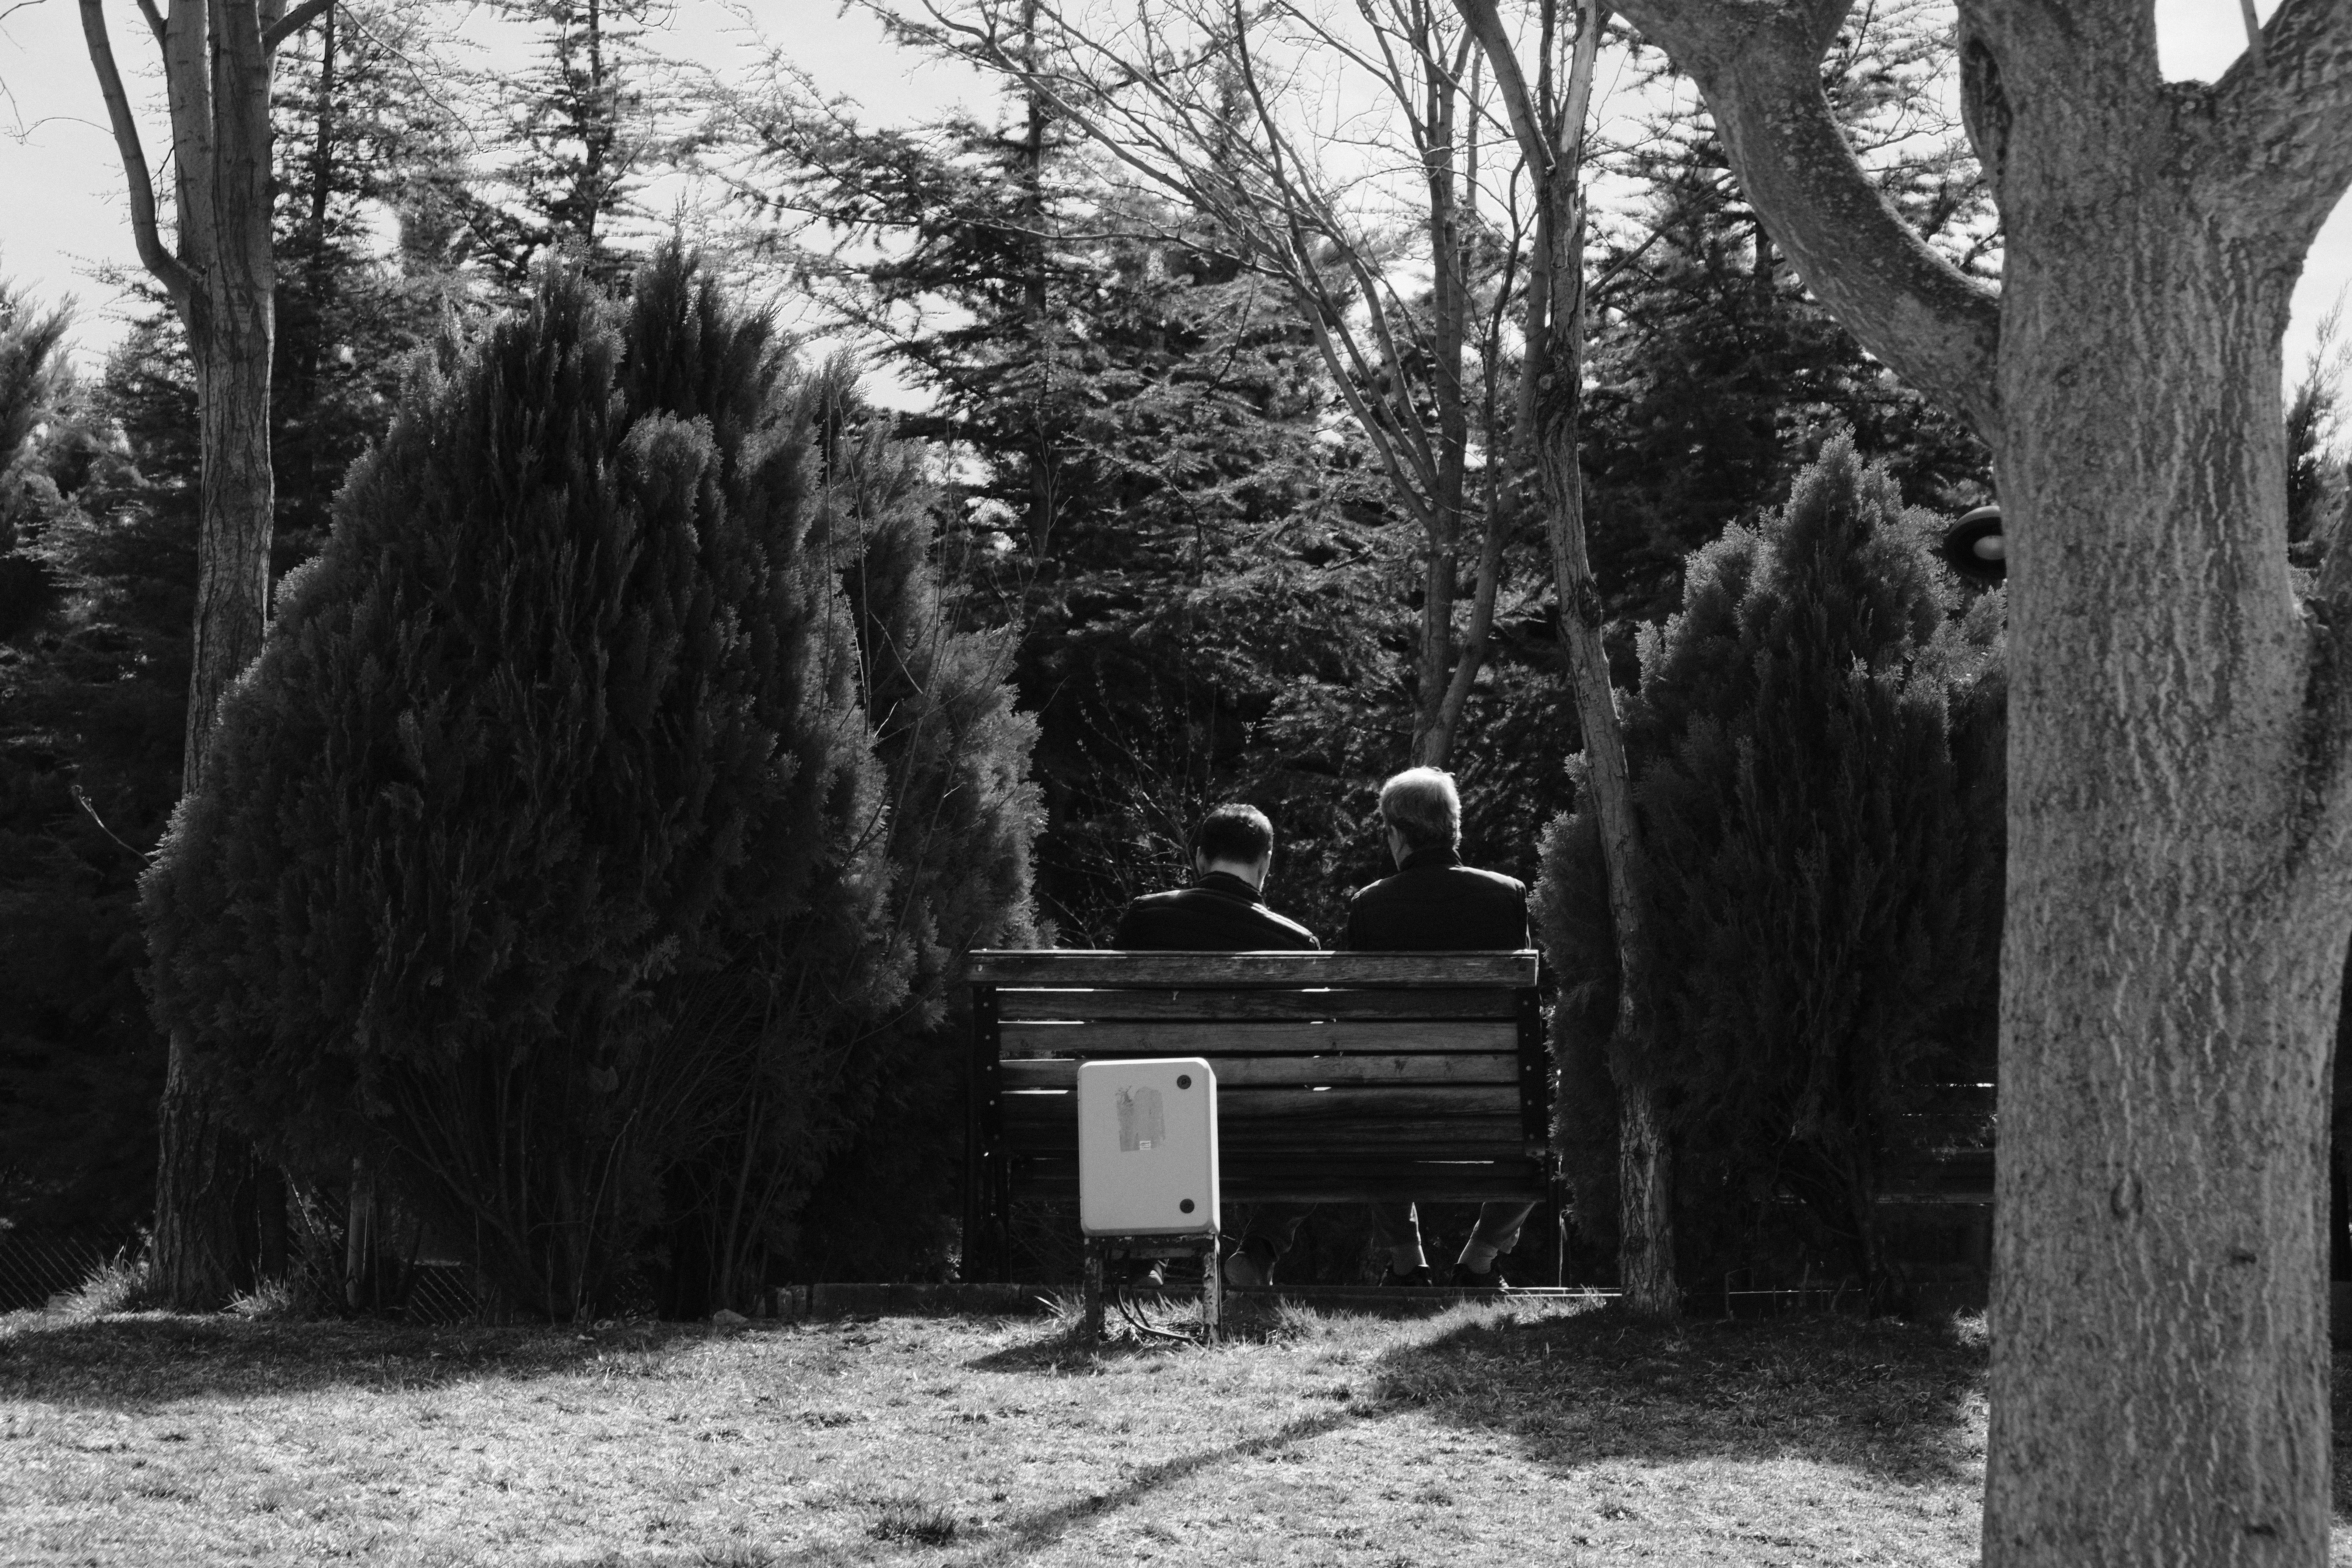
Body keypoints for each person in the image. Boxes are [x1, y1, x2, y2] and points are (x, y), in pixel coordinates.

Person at [1110, 803, 1318, 1288]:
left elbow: (1112, 1023)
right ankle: (1261, 1251)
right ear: (1266, 862)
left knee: (1142, 1090)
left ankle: (1146, 1258)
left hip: (1151, 1121)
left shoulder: (1144, 918)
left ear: (1201, 859)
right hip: (1257, 1122)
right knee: (1316, 1128)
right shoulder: (1294, 942)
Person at [1344, 766, 1537, 1288]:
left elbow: (1354, 1015)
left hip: (1396, 1094)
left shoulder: (1370, 905)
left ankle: (1407, 1259)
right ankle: (1481, 1255)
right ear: (1454, 827)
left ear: (1398, 834)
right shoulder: (1507, 896)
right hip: (1494, 1096)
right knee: (1544, 1116)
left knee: (1364, 1100)